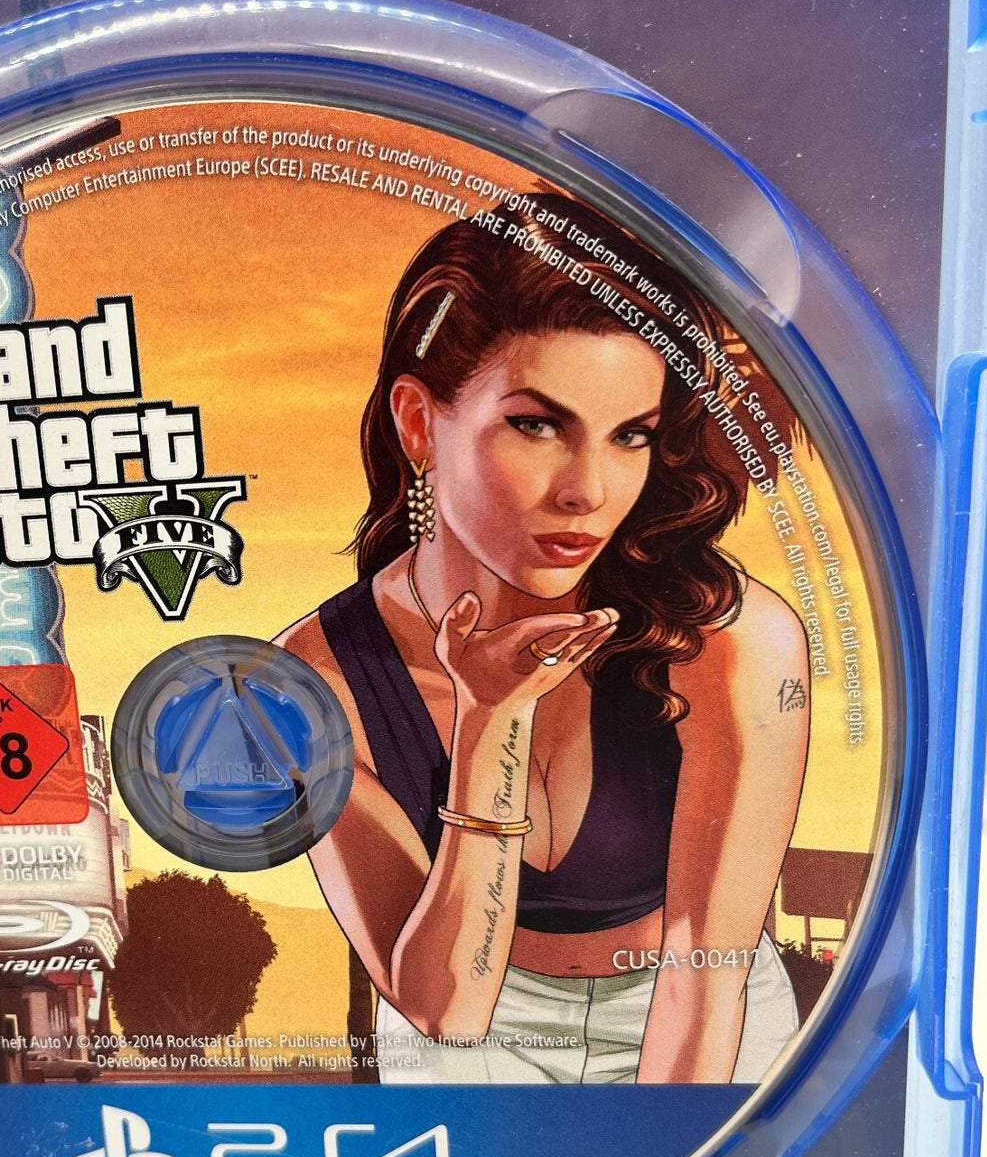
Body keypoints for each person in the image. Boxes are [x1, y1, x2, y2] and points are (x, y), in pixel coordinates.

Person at [277, 192, 807, 1085]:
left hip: (696, 1011)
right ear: (418, 422)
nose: (587, 490)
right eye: (536, 424)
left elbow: (704, 976)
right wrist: (489, 720)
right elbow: (447, 1012)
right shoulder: (315, 678)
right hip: (475, 1031)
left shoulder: (733, 640)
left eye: (630, 435)